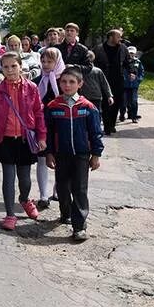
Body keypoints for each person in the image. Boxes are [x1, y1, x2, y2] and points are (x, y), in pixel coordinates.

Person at [0, 52, 47, 231]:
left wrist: (42, 136)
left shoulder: (31, 87)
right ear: (1, 69)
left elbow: (38, 113)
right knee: (8, 177)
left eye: (14, 66)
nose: (10, 70)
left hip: (24, 140)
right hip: (5, 139)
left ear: (21, 66)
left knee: (25, 179)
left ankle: (24, 199)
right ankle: (10, 214)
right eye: (6, 67)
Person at [45, 67, 104, 241]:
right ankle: (66, 214)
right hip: (61, 154)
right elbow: (48, 133)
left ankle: (79, 226)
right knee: (62, 187)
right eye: (64, 81)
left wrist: (96, 154)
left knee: (79, 189)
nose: (67, 85)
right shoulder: (53, 107)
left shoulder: (87, 107)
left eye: (72, 82)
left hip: (81, 155)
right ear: (59, 83)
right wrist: (49, 153)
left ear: (80, 84)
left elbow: (95, 132)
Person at [32, 47, 65, 208]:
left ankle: (58, 190)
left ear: (57, 62)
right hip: (42, 125)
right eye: (43, 61)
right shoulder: (37, 81)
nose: (45, 64)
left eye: (49, 61)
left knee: (61, 159)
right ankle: (43, 195)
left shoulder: (65, 81)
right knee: (42, 159)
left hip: (61, 125)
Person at [93, 29, 130, 134]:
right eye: (118, 37)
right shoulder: (99, 49)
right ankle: (107, 126)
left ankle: (112, 124)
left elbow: (128, 62)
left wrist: (132, 72)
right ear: (110, 37)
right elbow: (93, 63)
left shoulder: (123, 48)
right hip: (104, 80)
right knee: (105, 104)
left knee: (116, 103)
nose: (120, 39)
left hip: (118, 80)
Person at [81, 50, 113, 123]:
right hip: (84, 97)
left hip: (96, 97)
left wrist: (109, 95)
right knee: (85, 115)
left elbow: (104, 83)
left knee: (96, 114)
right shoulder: (81, 70)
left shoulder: (97, 71)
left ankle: (97, 127)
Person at [122, 46, 144, 123]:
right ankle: (122, 115)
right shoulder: (123, 62)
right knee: (123, 101)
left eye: (132, 53)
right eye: (129, 53)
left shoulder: (138, 62)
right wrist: (124, 78)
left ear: (135, 54)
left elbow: (141, 72)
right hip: (124, 85)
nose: (131, 54)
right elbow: (120, 72)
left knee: (134, 101)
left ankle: (133, 116)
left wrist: (137, 79)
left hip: (134, 85)